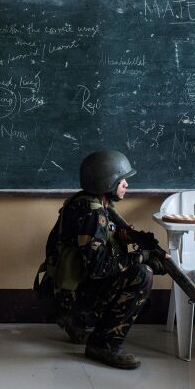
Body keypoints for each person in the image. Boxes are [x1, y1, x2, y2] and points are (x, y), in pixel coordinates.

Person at [44, 150, 156, 369]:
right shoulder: (94, 214)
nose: (126, 184)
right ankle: (103, 344)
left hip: (66, 290)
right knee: (142, 275)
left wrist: (120, 240)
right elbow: (98, 268)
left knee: (139, 278)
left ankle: (76, 322)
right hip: (73, 296)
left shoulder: (86, 202)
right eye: (121, 180)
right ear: (107, 182)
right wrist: (141, 257)